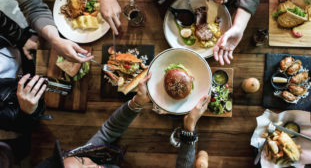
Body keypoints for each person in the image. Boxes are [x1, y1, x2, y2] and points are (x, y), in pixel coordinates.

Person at [35, 72, 211, 168]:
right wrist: (188, 129)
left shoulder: (86, 156)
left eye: (82, 161)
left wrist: (137, 103)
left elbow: (108, 131)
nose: (93, 167)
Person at [0, 10, 48, 165]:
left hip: (24, 49)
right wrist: (28, 111)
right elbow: (21, 124)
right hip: (33, 96)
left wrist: (21, 38)